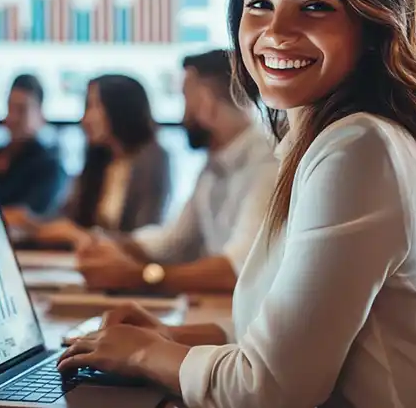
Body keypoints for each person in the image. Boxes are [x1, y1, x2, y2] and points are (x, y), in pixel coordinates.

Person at [57, 0, 416, 408]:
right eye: (259, 4)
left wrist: (143, 356)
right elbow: (300, 343)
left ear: (370, 24)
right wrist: (171, 338)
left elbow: (269, 390)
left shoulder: (359, 149)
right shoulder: (329, 142)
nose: (277, 32)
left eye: (315, 6)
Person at [76, 50, 278, 293]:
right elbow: (176, 241)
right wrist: (113, 244)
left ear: (205, 102)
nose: (182, 115)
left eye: (185, 98)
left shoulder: (268, 165)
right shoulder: (214, 165)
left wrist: (141, 277)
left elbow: (238, 270)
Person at [23, 74, 171, 246]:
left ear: (119, 108)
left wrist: (79, 235)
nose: (85, 120)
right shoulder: (100, 161)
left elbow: (143, 238)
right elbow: (64, 219)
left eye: (92, 106)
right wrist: (28, 221)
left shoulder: (152, 160)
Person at [0, 75, 68, 217]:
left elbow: (29, 217)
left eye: (21, 110)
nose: (12, 118)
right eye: (10, 108)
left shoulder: (49, 165)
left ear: (40, 115)